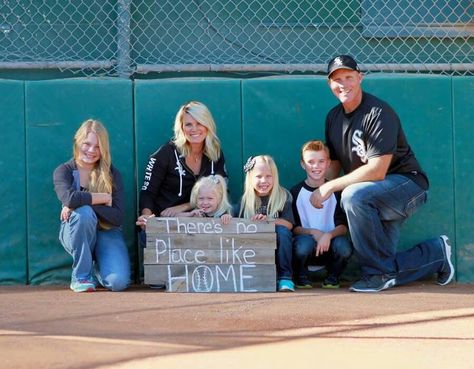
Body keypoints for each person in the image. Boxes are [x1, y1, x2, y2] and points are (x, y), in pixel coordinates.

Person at [310, 55, 454, 292]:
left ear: (360, 78)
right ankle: (436, 253)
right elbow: (335, 163)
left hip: (407, 186)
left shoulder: (377, 112)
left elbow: (377, 170)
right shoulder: (333, 117)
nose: (343, 84)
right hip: (373, 194)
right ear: (329, 84)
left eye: (349, 77)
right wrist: (318, 185)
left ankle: (376, 275)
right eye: (337, 79)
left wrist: (329, 187)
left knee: (353, 196)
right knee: (384, 263)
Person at [53, 119, 130, 293]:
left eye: (97, 147)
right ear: (77, 141)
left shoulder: (111, 173)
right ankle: (81, 276)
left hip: (107, 231)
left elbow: (117, 216)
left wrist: (79, 202)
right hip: (75, 230)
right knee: (83, 214)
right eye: (87, 144)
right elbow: (70, 199)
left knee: (118, 283)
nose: (91, 150)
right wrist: (101, 198)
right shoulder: (63, 171)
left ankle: (97, 270)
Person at [136, 101, 227, 230]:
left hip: (204, 222)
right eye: (188, 124)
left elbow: (222, 192)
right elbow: (148, 192)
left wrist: (186, 206)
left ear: (208, 125)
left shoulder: (215, 153)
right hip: (166, 223)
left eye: (199, 123)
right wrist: (147, 219)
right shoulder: (165, 153)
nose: (194, 129)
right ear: (181, 127)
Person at [291, 140, 352, 289]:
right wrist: (314, 233)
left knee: (344, 246)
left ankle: (332, 278)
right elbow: (294, 228)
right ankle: (301, 276)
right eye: (310, 162)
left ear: (328, 163)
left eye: (321, 161)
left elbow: (343, 227)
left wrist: (328, 235)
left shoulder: (336, 192)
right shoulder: (295, 192)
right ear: (303, 164)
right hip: (306, 249)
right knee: (303, 245)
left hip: (330, 248)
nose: (316, 166)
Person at [236, 155, 295, 292]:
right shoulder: (245, 201)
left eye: (269, 176)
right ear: (250, 178)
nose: (264, 181)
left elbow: (289, 224)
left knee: (283, 231)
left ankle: (285, 278)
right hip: (255, 248)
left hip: (279, 247)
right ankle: (253, 276)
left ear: (275, 177)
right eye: (259, 176)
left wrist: (269, 221)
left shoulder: (282, 196)